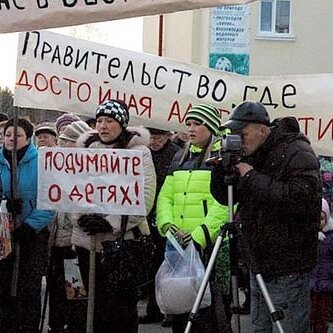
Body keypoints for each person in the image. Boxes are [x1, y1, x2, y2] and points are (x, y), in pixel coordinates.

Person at [210, 101, 322, 333]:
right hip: (257, 260)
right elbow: (225, 198)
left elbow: (301, 199)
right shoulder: (251, 154)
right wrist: (222, 169)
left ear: (263, 129)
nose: (238, 139)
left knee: (287, 327)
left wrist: (250, 176)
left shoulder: (297, 151)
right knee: (261, 327)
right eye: (233, 134)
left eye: (242, 134)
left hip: (288, 263)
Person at [72, 99, 156, 333]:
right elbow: (70, 190)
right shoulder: (84, 152)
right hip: (87, 242)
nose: (103, 126)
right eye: (99, 120)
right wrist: (80, 219)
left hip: (123, 244)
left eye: (109, 120)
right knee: (95, 308)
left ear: (122, 124)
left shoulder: (139, 153)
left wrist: (110, 224)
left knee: (121, 309)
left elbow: (145, 199)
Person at [156, 103, 231, 333]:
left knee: (211, 315)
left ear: (210, 126)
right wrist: (168, 225)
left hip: (210, 248)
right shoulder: (180, 157)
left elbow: (225, 204)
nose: (190, 128)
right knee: (181, 309)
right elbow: (165, 197)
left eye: (197, 124)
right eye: (188, 124)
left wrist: (200, 235)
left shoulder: (221, 158)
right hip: (179, 247)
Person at [0, 118, 55, 332]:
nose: (13, 138)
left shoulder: (41, 162)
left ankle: (28, 326)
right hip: (3, 234)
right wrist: (4, 204)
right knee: (4, 287)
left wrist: (31, 226)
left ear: (28, 138)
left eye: (18, 135)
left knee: (29, 287)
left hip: (32, 234)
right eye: (8, 134)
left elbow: (50, 200)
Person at [47, 120, 95, 333]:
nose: (62, 145)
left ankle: (75, 327)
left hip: (73, 243)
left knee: (74, 291)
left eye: (67, 141)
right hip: (56, 240)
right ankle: (57, 325)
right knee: (57, 288)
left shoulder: (87, 171)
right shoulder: (57, 166)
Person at [138, 128, 180, 325]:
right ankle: (154, 309)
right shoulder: (144, 154)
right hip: (148, 216)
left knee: (169, 267)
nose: (154, 141)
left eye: (158, 137)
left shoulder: (176, 154)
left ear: (167, 136)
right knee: (152, 267)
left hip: (167, 217)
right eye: (152, 137)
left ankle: (171, 311)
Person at [310, 198, 333, 333]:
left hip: (327, 284)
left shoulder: (330, 238)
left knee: (323, 316)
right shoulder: (308, 237)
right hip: (310, 285)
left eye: (321, 219)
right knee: (310, 315)